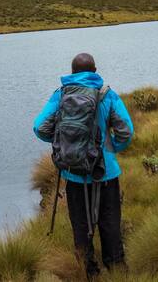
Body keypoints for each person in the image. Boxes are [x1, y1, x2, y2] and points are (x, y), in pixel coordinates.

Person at [33, 52, 134, 277]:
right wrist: (112, 149)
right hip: (105, 173)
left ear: (72, 72)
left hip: (75, 174)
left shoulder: (60, 95)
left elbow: (39, 127)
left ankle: (88, 272)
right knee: (110, 224)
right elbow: (126, 131)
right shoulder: (107, 94)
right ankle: (116, 269)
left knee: (80, 225)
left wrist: (63, 145)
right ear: (95, 71)